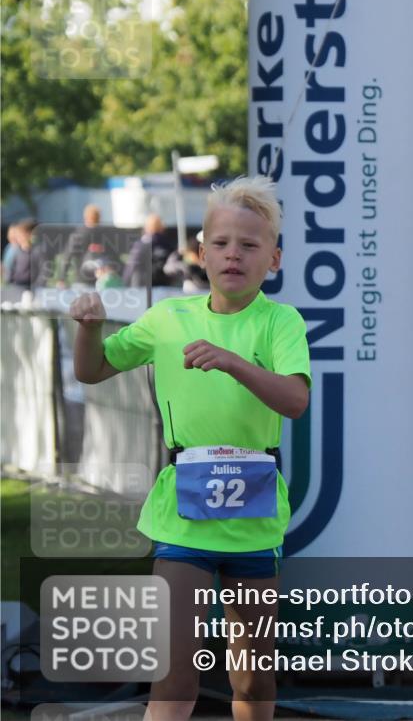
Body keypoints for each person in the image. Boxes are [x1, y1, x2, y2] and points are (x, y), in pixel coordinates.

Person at [70, 176, 311, 721]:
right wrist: (88, 328)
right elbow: (91, 370)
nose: (233, 255)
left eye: (249, 246)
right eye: (222, 243)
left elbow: (295, 400)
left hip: (254, 522)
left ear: (273, 259)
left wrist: (233, 362)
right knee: (174, 673)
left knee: (251, 679)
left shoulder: (280, 322)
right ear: (201, 252)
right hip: (183, 518)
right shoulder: (167, 319)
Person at [56, 204, 114, 286]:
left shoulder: (78, 234)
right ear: (99, 218)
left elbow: (67, 257)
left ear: (85, 217)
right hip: (101, 282)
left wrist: (61, 278)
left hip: (81, 280)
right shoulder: (105, 235)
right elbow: (113, 257)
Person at [123, 213, 177, 287]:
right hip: (164, 285)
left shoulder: (141, 244)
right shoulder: (168, 244)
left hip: (143, 287)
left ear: (147, 227)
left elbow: (132, 266)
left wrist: (125, 282)